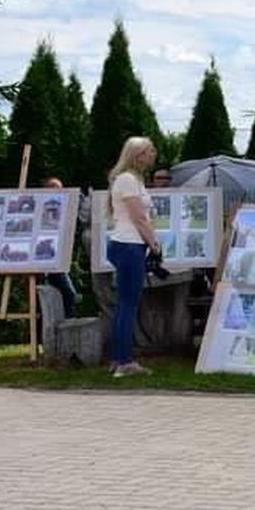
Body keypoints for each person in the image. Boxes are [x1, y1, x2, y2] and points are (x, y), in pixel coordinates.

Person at [107, 136, 160, 377]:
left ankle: (118, 357)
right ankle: (124, 361)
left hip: (127, 244)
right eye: (149, 151)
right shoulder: (128, 180)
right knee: (129, 304)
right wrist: (154, 243)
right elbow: (138, 217)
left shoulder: (132, 180)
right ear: (137, 155)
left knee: (124, 304)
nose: (153, 155)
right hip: (130, 245)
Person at [41, 177, 80, 318]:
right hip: (43, 260)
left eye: (60, 188)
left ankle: (69, 321)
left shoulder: (62, 207)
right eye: (55, 188)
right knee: (67, 292)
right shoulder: (41, 207)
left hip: (56, 260)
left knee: (68, 293)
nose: (59, 191)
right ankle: (69, 320)